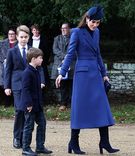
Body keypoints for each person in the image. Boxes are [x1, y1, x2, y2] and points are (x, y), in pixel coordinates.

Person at [55, 6, 119, 154]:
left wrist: (104, 73)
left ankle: (104, 142)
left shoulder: (97, 33)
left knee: (101, 106)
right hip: (82, 74)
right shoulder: (76, 32)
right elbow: (70, 54)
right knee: (79, 108)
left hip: (95, 74)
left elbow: (98, 54)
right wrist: (62, 72)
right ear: (87, 18)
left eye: (98, 23)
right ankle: (73, 142)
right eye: (93, 22)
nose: (95, 25)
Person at [4, 25, 45, 149]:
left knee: (29, 111)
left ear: (29, 37)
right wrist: (7, 86)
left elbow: (39, 66)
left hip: (32, 85)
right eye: (21, 37)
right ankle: (17, 137)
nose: (23, 39)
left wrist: (42, 81)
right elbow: (8, 70)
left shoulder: (32, 50)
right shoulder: (11, 51)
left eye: (26, 37)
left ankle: (25, 138)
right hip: (16, 85)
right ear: (16, 37)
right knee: (19, 111)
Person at [20, 47, 52, 156]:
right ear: (33, 59)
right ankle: (25, 148)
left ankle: (40, 147)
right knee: (29, 126)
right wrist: (28, 104)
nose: (42, 60)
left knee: (42, 124)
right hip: (30, 105)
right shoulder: (27, 72)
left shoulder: (36, 71)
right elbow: (25, 90)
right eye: (40, 58)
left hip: (38, 105)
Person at [51, 23, 74, 111]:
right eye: (62, 28)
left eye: (65, 28)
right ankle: (63, 103)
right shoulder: (57, 38)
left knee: (71, 84)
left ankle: (72, 103)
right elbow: (55, 50)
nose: (63, 30)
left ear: (69, 29)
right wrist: (64, 56)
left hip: (71, 64)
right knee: (62, 85)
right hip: (60, 63)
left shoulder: (73, 38)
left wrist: (68, 58)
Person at [0, 28, 17, 107]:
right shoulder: (2, 43)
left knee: (13, 83)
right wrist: (4, 60)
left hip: (15, 66)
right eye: (9, 34)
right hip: (3, 66)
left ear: (15, 35)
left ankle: (14, 103)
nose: (10, 35)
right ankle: (6, 103)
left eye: (12, 34)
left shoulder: (18, 43)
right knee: (4, 83)